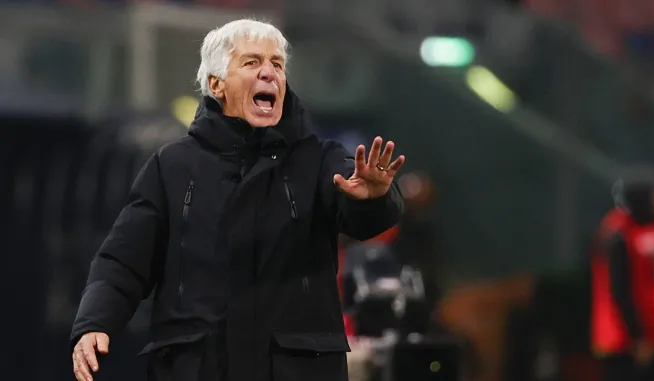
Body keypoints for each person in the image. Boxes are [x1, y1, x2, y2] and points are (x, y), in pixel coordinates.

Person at [70, 19, 405, 381]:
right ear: (217, 85)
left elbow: (362, 217)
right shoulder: (171, 166)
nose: (268, 73)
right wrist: (95, 322)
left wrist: (373, 198)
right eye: (251, 62)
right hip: (197, 369)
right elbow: (123, 261)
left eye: (277, 64)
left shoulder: (321, 159)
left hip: (295, 370)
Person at [590, 169, 654, 381]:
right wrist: (638, 337)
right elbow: (619, 290)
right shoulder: (617, 233)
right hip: (624, 341)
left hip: (653, 336)